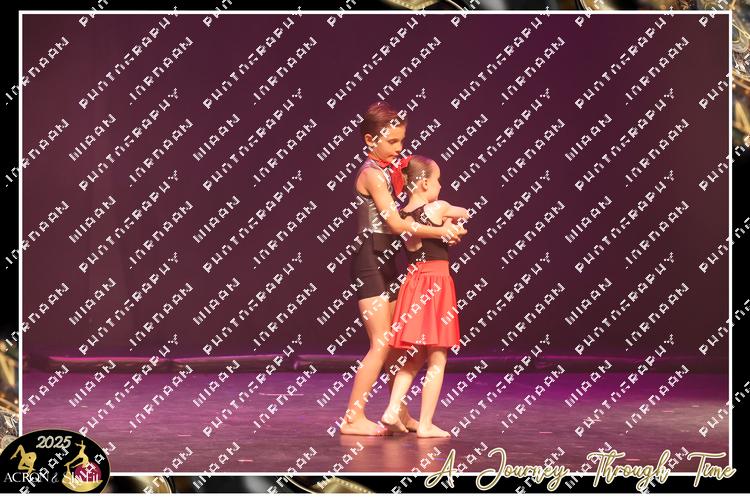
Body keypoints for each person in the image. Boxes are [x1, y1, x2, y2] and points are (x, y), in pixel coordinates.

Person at [339, 102, 467, 436]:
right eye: (392, 141)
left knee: (398, 346)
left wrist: (441, 227)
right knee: (381, 343)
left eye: (402, 141)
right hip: (370, 261)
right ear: (370, 140)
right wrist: (440, 231)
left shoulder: (387, 171)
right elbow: (396, 224)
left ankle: (400, 412)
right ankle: (352, 417)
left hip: (387, 261)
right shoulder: (371, 174)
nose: (399, 148)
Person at [379, 155, 470, 438]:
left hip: (413, 284)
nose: (441, 186)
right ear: (425, 183)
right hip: (436, 283)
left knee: (414, 357)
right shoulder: (437, 207)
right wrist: (453, 220)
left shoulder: (403, 216)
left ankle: (392, 409)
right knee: (438, 356)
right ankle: (426, 424)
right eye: (438, 180)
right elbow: (465, 211)